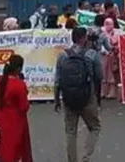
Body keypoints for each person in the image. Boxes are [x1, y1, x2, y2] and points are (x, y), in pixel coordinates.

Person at [54, 27, 102, 162]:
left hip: (68, 98)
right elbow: (99, 77)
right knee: (95, 127)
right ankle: (85, 157)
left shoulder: (62, 55)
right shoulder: (92, 54)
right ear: (84, 38)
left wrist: (57, 99)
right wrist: (97, 97)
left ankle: (72, 159)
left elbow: (57, 80)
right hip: (87, 97)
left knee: (70, 131)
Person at [0, 55, 33, 162]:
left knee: (1, 153)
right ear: (19, 69)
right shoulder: (19, 85)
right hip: (15, 127)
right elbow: (24, 107)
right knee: (13, 154)